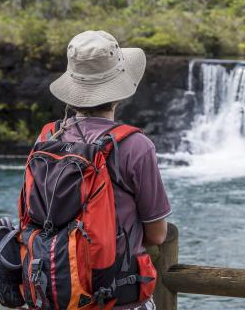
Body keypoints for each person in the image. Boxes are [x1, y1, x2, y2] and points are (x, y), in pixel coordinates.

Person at [47, 30, 171, 310]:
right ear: (118, 91)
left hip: (57, 287)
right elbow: (157, 234)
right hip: (114, 294)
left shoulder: (48, 137)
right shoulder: (135, 146)